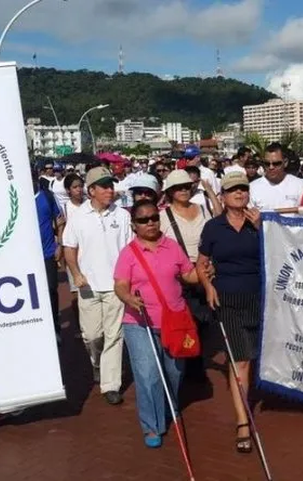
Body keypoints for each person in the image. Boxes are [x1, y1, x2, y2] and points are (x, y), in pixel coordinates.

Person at [113, 200, 200, 448]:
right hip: (139, 323)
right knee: (148, 375)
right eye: (143, 220)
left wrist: (204, 271)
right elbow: (120, 284)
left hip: (175, 321)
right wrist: (129, 297)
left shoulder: (172, 247)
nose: (150, 222)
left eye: (153, 217)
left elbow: (188, 275)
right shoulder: (128, 253)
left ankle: (169, 406)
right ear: (134, 225)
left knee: (174, 372)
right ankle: (152, 425)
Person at [196, 171, 262, 454]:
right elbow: (201, 263)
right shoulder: (213, 227)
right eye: (233, 190)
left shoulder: (259, 223)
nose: (240, 194)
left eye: (243, 189)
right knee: (241, 361)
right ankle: (242, 421)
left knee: (257, 358)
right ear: (222, 196)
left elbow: (277, 254)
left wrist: (261, 228)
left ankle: (248, 403)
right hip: (228, 301)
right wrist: (208, 287)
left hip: (259, 298)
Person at [63, 166, 133, 405]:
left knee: (114, 335)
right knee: (92, 335)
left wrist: (128, 280)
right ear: (91, 190)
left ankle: (110, 384)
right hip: (88, 285)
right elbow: (69, 248)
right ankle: (97, 363)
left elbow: (128, 250)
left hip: (116, 286)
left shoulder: (122, 215)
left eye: (111, 185)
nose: (110, 190)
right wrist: (75, 273)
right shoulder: (78, 217)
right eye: (104, 186)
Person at [160, 170, 215, 382]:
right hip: (178, 275)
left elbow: (212, 238)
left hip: (203, 271)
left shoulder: (202, 210)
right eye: (178, 188)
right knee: (185, 321)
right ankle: (188, 368)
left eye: (186, 186)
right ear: (170, 192)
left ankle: (195, 364)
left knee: (202, 321)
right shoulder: (163, 217)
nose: (183, 190)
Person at [33, 168, 65, 343]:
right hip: (27, 256)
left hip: (47, 252)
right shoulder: (15, 196)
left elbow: (60, 221)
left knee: (51, 290)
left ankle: (55, 328)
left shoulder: (47, 196)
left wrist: (59, 244)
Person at [249, 142, 303, 211]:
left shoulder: (299, 185)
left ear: (285, 163)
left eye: (276, 163)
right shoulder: (253, 188)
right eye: (267, 164)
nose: (271, 167)